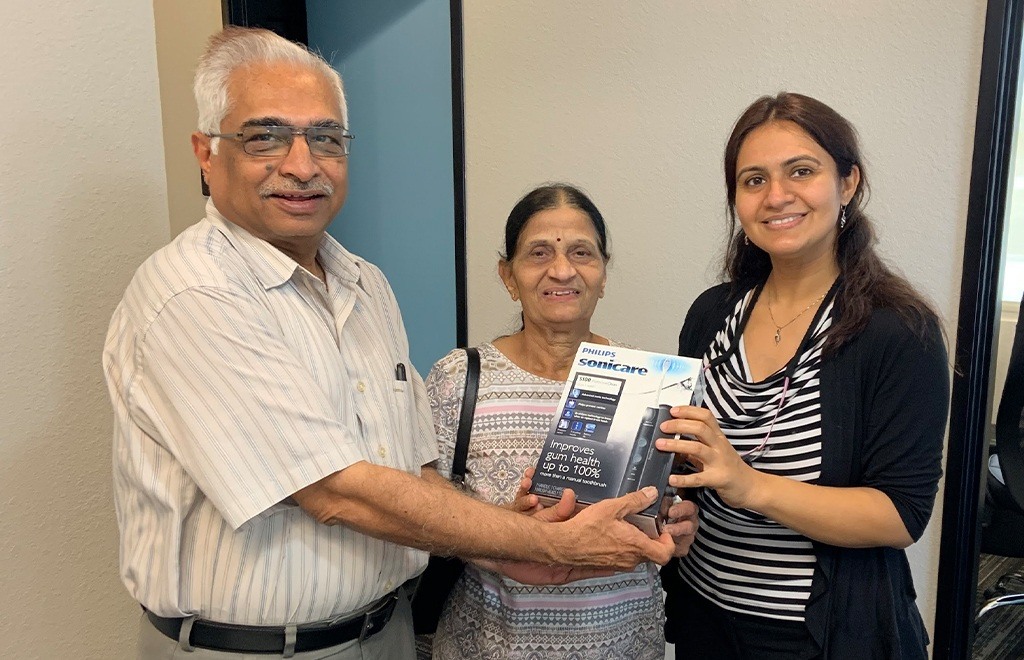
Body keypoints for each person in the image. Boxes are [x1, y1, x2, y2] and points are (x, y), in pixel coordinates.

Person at [102, 27, 674, 660]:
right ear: (206, 154)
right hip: (253, 648)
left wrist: (505, 547)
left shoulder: (365, 286)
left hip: (388, 633)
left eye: (325, 138)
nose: (302, 164)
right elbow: (332, 489)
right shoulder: (194, 293)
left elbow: (415, 474)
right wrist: (544, 544)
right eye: (266, 136)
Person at [655, 93, 949, 659]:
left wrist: (749, 486)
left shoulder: (897, 332)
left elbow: (900, 515)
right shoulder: (713, 313)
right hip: (705, 616)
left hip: (818, 635)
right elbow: (685, 459)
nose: (777, 196)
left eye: (802, 171)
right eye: (754, 180)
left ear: (849, 183)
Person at [424, 184, 699, 659]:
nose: (562, 269)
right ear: (508, 276)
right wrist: (502, 535)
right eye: (539, 253)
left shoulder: (655, 383)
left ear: (603, 272)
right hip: (490, 645)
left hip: (624, 644)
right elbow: (420, 511)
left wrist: (680, 524)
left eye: (580, 252)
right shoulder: (458, 379)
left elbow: (670, 508)